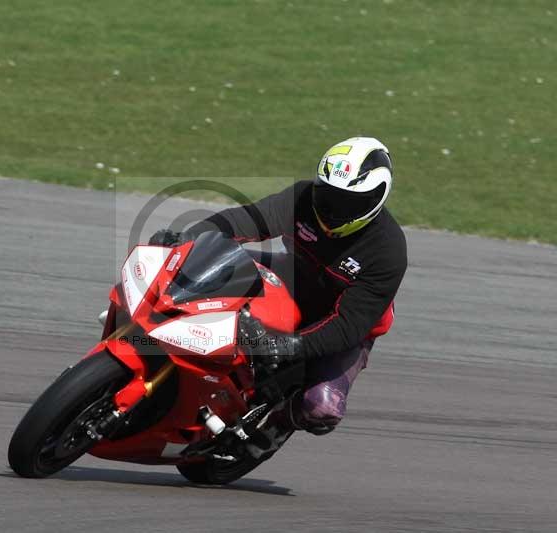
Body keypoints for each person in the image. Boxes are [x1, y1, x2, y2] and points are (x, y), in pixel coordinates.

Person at [149, 136, 407, 455]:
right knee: (210, 266)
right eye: (328, 196)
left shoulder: (388, 251)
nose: (333, 211)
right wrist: (189, 238)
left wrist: (286, 346)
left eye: (348, 203)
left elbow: (347, 326)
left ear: (375, 199)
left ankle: (278, 423)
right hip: (293, 276)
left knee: (322, 406)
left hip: (344, 325)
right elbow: (247, 219)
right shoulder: (303, 198)